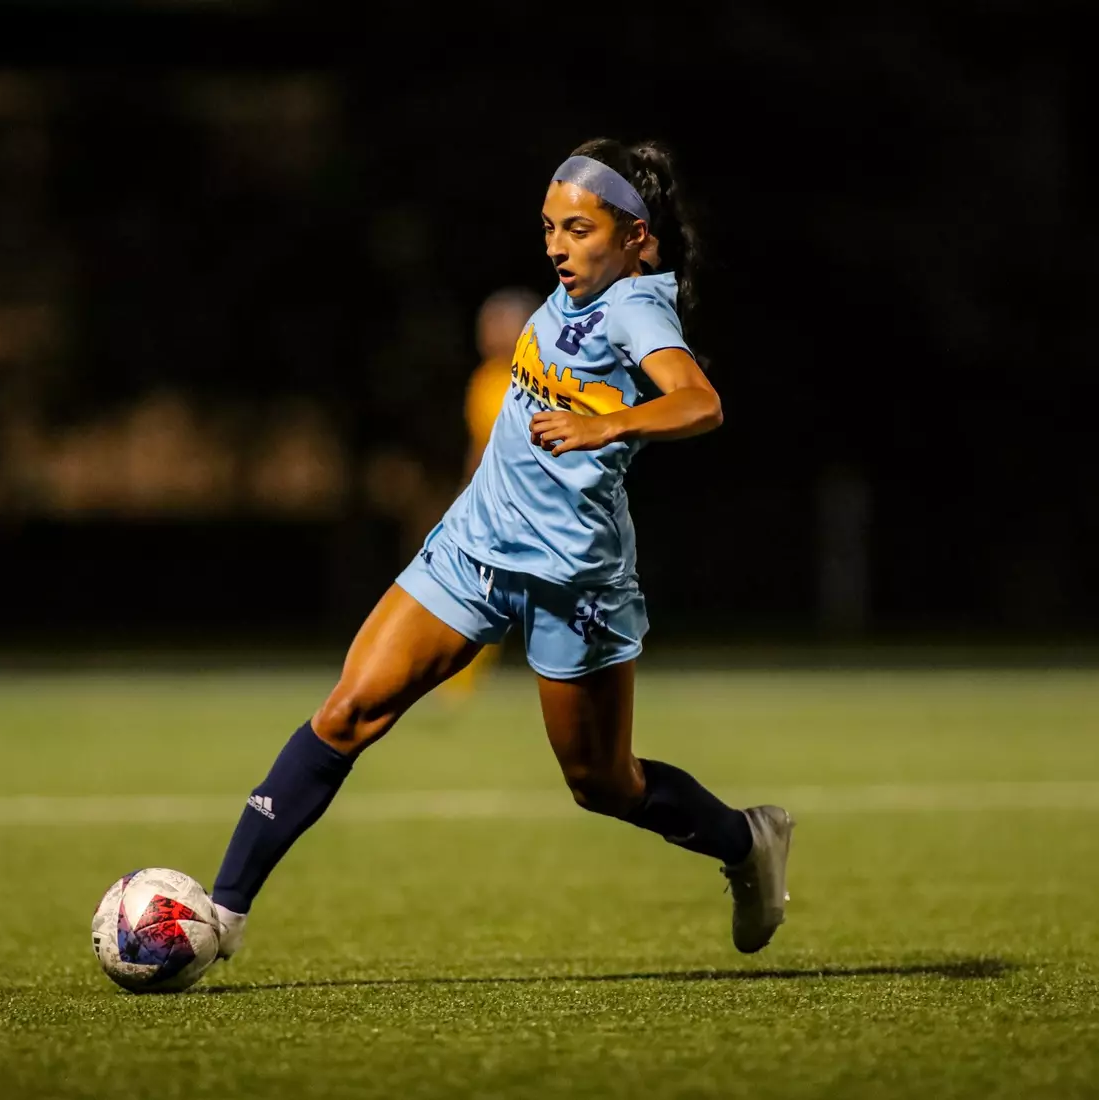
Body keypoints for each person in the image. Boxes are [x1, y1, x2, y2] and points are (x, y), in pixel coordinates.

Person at [207, 137, 793, 962]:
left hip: (571, 581)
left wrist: (608, 423)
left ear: (635, 239)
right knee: (347, 712)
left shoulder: (636, 308)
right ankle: (221, 915)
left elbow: (701, 403)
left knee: (603, 785)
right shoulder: (586, 284)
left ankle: (744, 842)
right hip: (474, 549)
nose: (557, 244)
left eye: (580, 229)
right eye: (551, 226)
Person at [443, 286, 544, 697]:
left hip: (536, 502)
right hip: (493, 504)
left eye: (498, 323)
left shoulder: (542, 377)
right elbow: (479, 445)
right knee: (478, 591)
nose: (487, 334)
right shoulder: (484, 380)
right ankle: (457, 679)